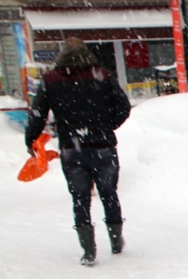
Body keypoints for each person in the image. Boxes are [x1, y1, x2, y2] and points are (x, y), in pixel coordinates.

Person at [26, 38, 131, 266]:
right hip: (103, 146)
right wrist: (106, 125)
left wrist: (31, 140)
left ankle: (88, 250)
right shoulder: (100, 74)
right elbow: (123, 106)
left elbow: (37, 114)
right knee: (109, 194)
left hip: (71, 148)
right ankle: (116, 241)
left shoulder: (51, 79)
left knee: (80, 198)